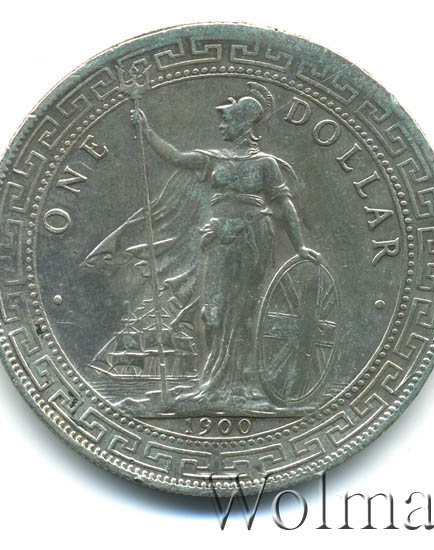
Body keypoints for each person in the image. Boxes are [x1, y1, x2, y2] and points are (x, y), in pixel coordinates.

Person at [126, 82, 319, 406]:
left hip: (253, 238)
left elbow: (285, 205)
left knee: (243, 311)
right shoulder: (214, 159)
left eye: (226, 120)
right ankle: (213, 383)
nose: (221, 126)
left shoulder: (265, 164)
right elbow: (176, 157)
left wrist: (299, 246)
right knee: (212, 313)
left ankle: (239, 386)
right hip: (218, 238)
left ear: (243, 123)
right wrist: (147, 132)